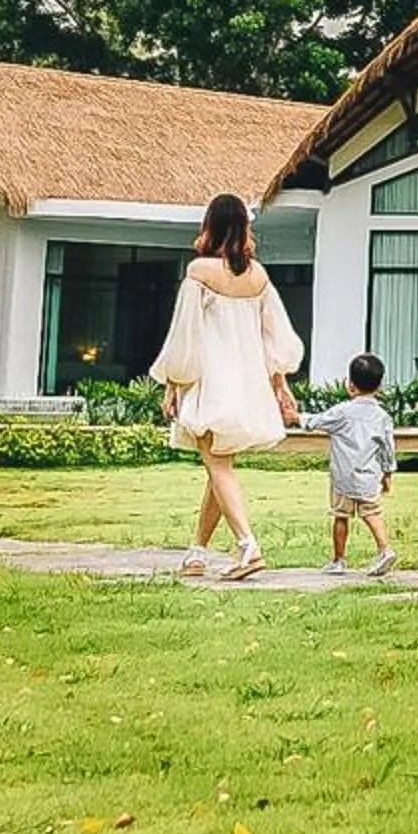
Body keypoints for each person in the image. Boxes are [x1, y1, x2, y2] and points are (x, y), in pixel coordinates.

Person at [148, 193, 303, 580]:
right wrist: (280, 383)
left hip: (210, 382)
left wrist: (173, 384)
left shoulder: (200, 272)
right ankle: (196, 552)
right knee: (220, 469)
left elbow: (185, 336)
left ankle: (248, 546)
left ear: (210, 225)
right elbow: (275, 337)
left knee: (217, 466)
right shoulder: (258, 276)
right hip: (248, 385)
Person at [298, 352, 399, 576]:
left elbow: (316, 421)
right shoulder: (382, 417)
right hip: (369, 476)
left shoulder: (342, 412)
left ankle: (339, 560)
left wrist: (295, 417)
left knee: (340, 516)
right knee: (372, 512)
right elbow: (387, 448)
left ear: (350, 385)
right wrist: (388, 473)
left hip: (343, 476)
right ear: (380, 386)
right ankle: (385, 549)